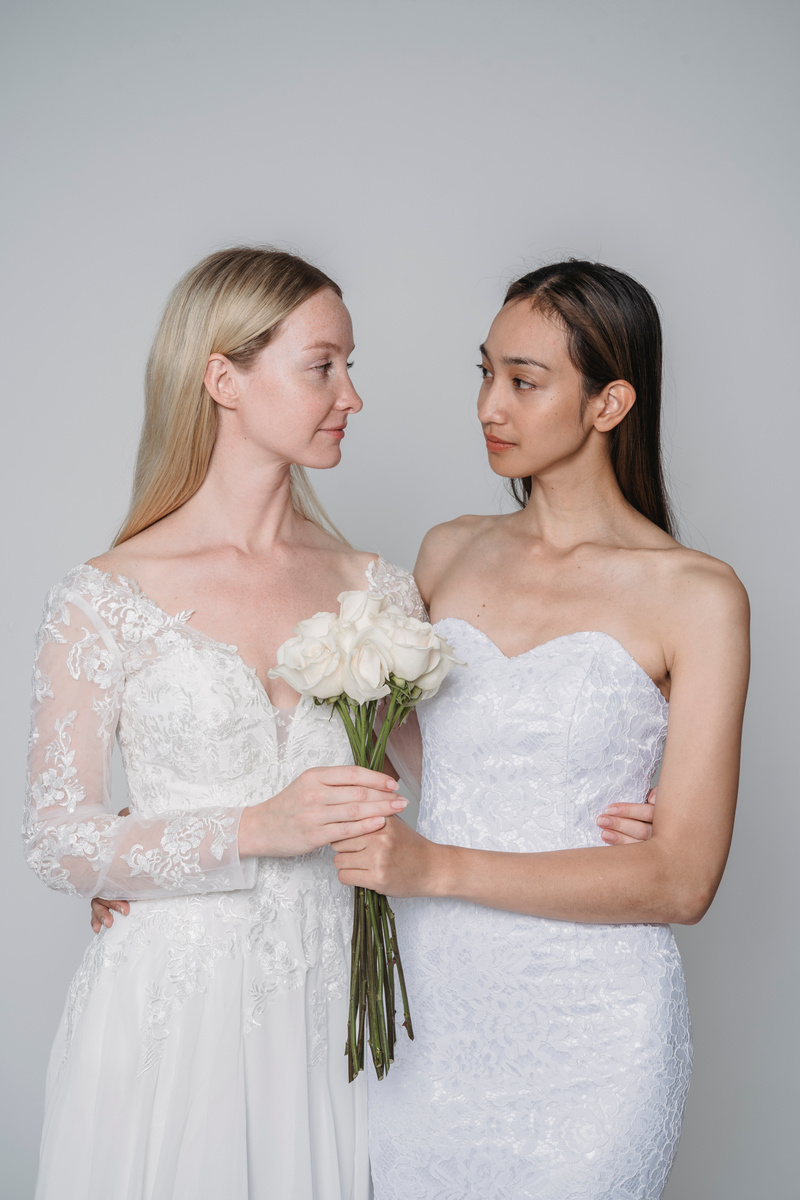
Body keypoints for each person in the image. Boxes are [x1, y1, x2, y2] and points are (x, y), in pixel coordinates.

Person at [334, 261, 749, 1199]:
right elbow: (386, 755)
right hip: (431, 1006)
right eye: (484, 372)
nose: (490, 404)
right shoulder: (447, 549)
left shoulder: (698, 594)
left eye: (524, 382)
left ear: (610, 404)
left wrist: (436, 867)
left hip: (595, 1030)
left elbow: (682, 880)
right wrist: (158, 852)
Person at [23, 246, 426, 1200]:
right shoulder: (105, 596)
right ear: (223, 378)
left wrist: (599, 810)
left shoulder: (376, 589)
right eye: (323, 365)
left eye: (350, 365)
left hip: (333, 1007)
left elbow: (436, 794)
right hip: (170, 1007)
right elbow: (56, 840)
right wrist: (254, 829)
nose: (351, 396)